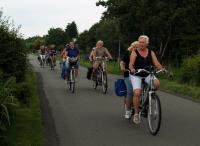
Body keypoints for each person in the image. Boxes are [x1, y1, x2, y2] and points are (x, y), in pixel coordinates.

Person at [129, 35, 164, 124]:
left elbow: (156, 63)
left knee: (157, 83)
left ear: (147, 43)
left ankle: (149, 97)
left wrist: (161, 68)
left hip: (148, 73)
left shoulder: (151, 52)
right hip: (136, 74)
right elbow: (130, 64)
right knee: (137, 92)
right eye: (140, 42)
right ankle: (136, 114)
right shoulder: (134, 52)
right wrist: (132, 69)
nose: (141, 44)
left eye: (143, 42)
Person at [120, 41, 140, 119]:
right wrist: (122, 67)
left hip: (140, 75)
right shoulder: (128, 53)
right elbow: (122, 62)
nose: (136, 48)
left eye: (137, 47)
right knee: (130, 91)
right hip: (128, 74)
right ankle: (128, 110)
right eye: (134, 47)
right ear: (131, 47)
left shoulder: (141, 54)